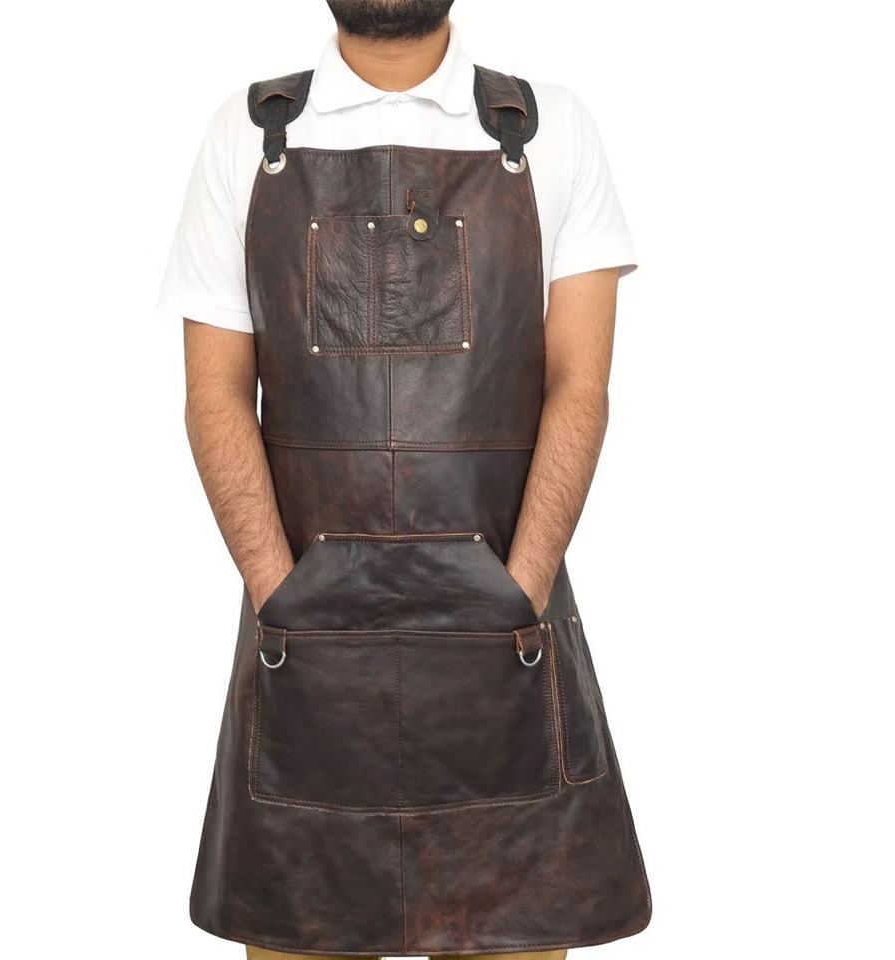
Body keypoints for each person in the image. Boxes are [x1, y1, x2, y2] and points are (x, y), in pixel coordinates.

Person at [158, 2, 651, 958]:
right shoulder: (248, 135)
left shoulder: (549, 128)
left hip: (505, 655)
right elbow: (214, 397)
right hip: (307, 661)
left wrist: (521, 592)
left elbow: (579, 388)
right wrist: (279, 596)